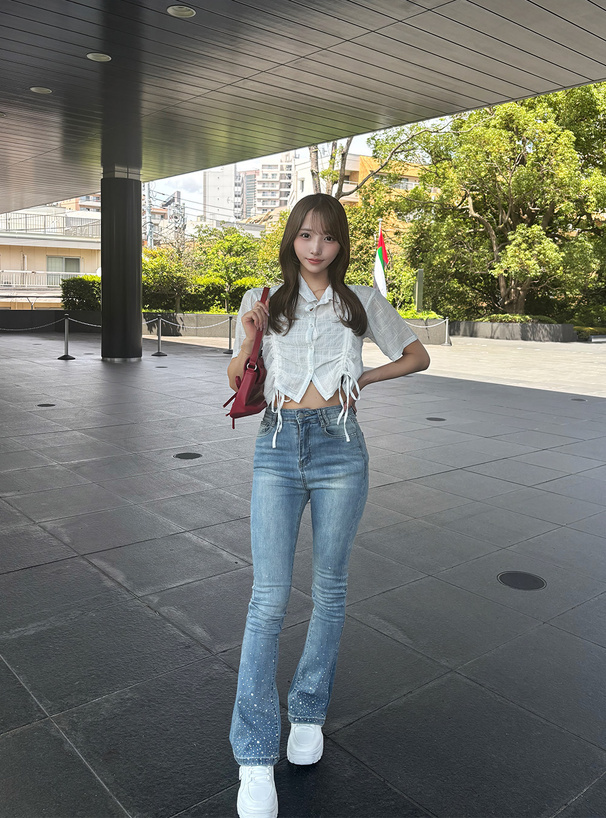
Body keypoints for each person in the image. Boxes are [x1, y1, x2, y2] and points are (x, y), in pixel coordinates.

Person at [227, 193, 430, 818]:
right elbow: (236, 378)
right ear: (291, 238)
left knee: (331, 589)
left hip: (341, 447)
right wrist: (250, 335)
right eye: (306, 235)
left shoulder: (360, 300)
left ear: (341, 244)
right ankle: (254, 756)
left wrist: (364, 378)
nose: (316, 248)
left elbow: (417, 355)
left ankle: (308, 712)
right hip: (277, 447)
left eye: (329, 237)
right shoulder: (263, 298)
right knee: (268, 598)